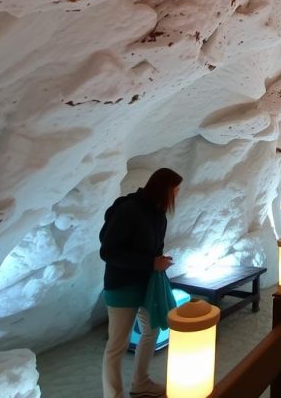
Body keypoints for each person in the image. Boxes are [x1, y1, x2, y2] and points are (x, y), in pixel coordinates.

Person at [99, 168, 182, 398]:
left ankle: (141, 383)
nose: (176, 196)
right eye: (174, 191)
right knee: (117, 345)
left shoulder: (158, 213)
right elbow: (109, 251)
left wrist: (159, 262)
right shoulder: (129, 210)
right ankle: (113, 394)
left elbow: (154, 249)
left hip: (147, 284)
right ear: (163, 189)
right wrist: (151, 262)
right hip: (122, 286)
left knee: (151, 330)